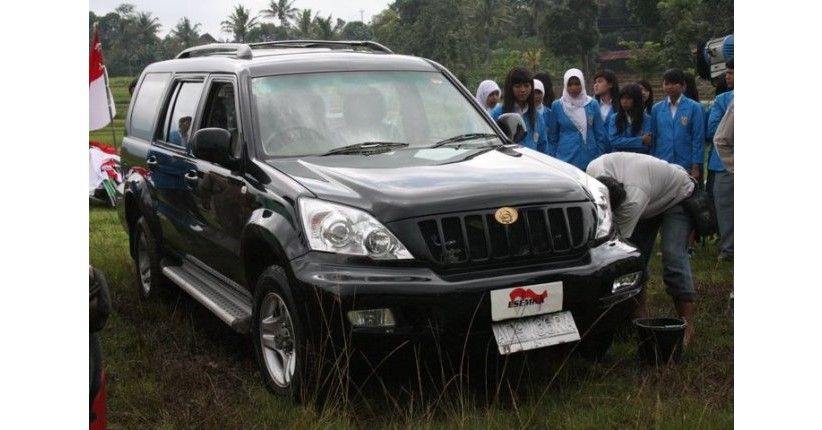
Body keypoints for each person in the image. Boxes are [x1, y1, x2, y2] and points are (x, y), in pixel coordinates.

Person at [587, 152, 697, 346]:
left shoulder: (633, 200)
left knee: (672, 255)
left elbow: (620, 253)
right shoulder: (592, 171)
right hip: (651, 194)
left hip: (677, 195)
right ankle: (639, 319)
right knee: (639, 258)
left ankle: (687, 326)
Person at [547, 68, 609, 170]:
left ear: (582, 84)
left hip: (590, 158)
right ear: (565, 85)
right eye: (570, 85)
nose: (574, 87)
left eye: (577, 83)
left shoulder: (592, 104)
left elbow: (600, 134)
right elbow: (552, 137)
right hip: (564, 159)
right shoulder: (557, 105)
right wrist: (554, 159)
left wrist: (599, 156)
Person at [650, 68, 705, 180]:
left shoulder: (695, 107)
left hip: (686, 164)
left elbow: (698, 138)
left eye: (674, 83)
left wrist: (696, 166)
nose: (669, 86)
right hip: (663, 162)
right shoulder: (657, 108)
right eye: (666, 83)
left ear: (683, 86)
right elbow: (654, 138)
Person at [706, 58, 734, 261]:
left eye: (732, 72)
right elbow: (714, 129)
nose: (728, 76)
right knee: (725, 206)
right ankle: (729, 248)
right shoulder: (723, 99)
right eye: (728, 72)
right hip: (726, 162)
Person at [490, 67, 548, 153]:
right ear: (510, 88)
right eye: (518, 86)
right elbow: (492, 145)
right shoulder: (498, 113)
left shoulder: (537, 117)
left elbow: (543, 148)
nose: (523, 90)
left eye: (526, 86)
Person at [608, 83, 652, 154]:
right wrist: (640, 140)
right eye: (622, 98)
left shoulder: (647, 119)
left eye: (628, 98)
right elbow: (614, 141)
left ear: (636, 100)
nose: (624, 101)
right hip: (619, 160)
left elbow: (646, 144)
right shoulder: (614, 118)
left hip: (640, 159)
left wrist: (623, 142)